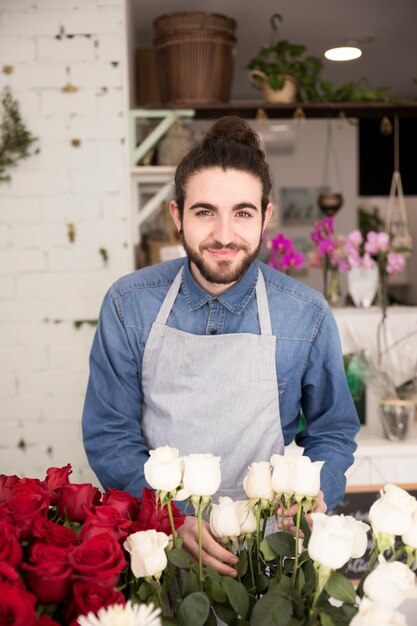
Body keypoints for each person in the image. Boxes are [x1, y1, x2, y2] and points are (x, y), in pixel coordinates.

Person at [82, 116, 360, 577]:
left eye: (243, 213)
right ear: (177, 215)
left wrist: (315, 488)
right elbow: (109, 434)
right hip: (161, 547)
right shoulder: (128, 304)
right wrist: (172, 518)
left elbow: (333, 428)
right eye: (205, 211)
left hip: (270, 551)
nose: (225, 235)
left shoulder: (306, 314)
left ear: (266, 217)